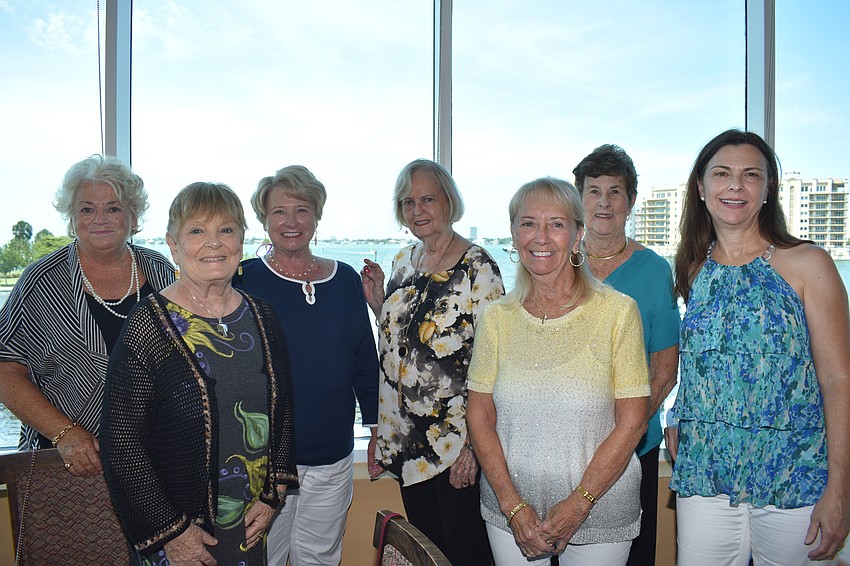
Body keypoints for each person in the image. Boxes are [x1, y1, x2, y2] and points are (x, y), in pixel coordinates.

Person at [666, 129, 850, 565]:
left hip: (795, 474)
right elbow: (704, 362)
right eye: (722, 173)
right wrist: (678, 414)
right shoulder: (694, 266)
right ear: (701, 186)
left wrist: (840, 487)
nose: (735, 185)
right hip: (706, 474)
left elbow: (838, 377)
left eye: (751, 175)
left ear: (769, 190)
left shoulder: (809, 263)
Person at [101, 182, 298, 565]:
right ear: (173, 245)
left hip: (247, 525)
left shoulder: (263, 317)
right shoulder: (147, 325)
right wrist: (172, 532)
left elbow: (284, 412)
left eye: (226, 230)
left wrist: (273, 492)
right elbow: (121, 444)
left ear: (241, 240)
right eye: (197, 231)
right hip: (178, 533)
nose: (214, 243)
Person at [466, 177, 650, 565]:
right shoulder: (497, 317)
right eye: (528, 223)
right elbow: (479, 416)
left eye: (557, 224)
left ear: (578, 234)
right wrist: (513, 507)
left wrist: (579, 504)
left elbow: (632, 423)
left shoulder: (618, 313)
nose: (541, 237)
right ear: (514, 235)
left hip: (600, 510)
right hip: (508, 514)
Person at [360, 158, 504, 565]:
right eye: (408, 202)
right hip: (407, 439)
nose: (417, 210)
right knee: (426, 554)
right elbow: (406, 344)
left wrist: (473, 448)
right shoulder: (404, 261)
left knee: (465, 554)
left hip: (454, 441)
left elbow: (496, 362)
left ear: (449, 202)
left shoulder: (479, 268)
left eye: (427, 199)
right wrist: (378, 304)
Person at [235, 165, 379, 566]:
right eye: (279, 211)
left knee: (319, 557)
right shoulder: (243, 278)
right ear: (264, 219)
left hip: (332, 452)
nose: (291, 221)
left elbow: (364, 359)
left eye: (302, 209)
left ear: (317, 216)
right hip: (265, 455)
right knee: (267, 555)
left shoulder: (345, 278)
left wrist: (376, 428)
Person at [0, 154, 174, 476]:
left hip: (155, 460)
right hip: (66, 463)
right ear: (72, 217)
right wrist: (64, 433)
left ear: (133, 217)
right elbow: (5, 370)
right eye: (87, 209)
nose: (100, 219)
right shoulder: (42, 281)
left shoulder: (162, 271)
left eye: (113, 208)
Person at [573, 144, 679, 566]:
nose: (604, 201)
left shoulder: (654, 270)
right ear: (578, 198)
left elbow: (665, 370)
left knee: (631, 554)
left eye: (615, 191)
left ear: (631, 201)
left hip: (635, 446)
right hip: (567, 444)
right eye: (593, 190)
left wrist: (625, 435)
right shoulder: (559, 262)